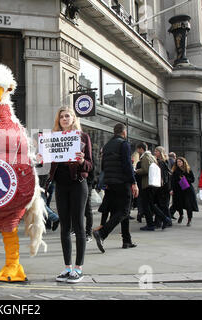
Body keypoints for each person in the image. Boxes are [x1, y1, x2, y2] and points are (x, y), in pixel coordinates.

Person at [47, 106, 93, 283]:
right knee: (64, 226)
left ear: (74, 119)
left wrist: (81, 161)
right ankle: (67, 268)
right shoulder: (53, 138)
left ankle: (78, 268)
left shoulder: (83, 137)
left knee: (78, 225)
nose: (65, 119)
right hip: (61, 185)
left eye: (68, 116)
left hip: (78, 184)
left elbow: (90, 165)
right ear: (58, 121)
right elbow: (51, 163)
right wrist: (41, 157)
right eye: (61, 117)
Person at [93, 123, 138, 253]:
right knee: (124, 212)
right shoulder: (123, 144)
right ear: (124, 132)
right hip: (122, 182)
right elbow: (127, 165)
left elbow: (103, 166)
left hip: (110, 183)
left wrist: (106, 181)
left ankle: (127, 240)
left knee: (122, 212)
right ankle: (102, 233)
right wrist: (133, 182)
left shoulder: (106, 146)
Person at [136, 142, 170, 231]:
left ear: (141, 149)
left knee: (147, 205)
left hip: (147, 184)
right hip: (151, 184)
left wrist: (136, 171)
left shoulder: (145, 157)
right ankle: (163, 219)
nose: (137, 151)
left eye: (138, 149)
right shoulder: (150, 156)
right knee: (150, 205)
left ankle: (153, 223)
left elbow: (145, 170)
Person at [170, 157, 198, 226]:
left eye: (180, 161)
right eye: (177, 162)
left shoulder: (188, 170)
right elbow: (172, 181)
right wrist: (171, 189)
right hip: (178, 190)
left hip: (187, 190)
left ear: (183, 162)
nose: (179, 163)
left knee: (189, 205)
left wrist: (185, 179)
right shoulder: (175, 171)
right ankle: (181, 215)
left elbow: (192, 179)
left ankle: (189, 219)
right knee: (178, 204)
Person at [153, 146, 173, 228]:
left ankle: (166, 220)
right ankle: (160, 221)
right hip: (164, 186)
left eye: (156, 151)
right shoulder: (165, 161)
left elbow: (163, 176)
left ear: (160, 152)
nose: (155, 153)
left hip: (162, 187)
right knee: (161, 204)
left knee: (162, 205)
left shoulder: (161, 162)